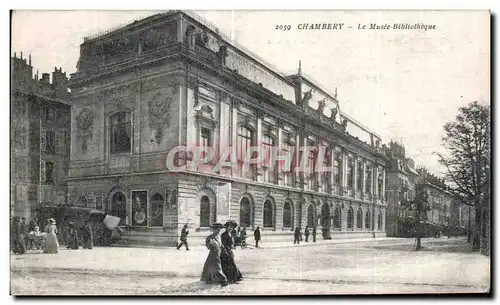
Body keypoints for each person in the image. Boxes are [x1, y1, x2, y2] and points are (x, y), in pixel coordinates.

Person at [201, 223, 229, 287]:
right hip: (213, 253)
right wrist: (211, 244)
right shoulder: (210, 237)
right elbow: (208, 246)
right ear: (214, 229)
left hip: (218, 253)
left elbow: (221, 245)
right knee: (217, 267)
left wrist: (225, 252)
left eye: (219, 229)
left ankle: (209, 279)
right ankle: (223, 280)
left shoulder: (219, 236)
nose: (218, 231)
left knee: (209, 266)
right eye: (217, 229)